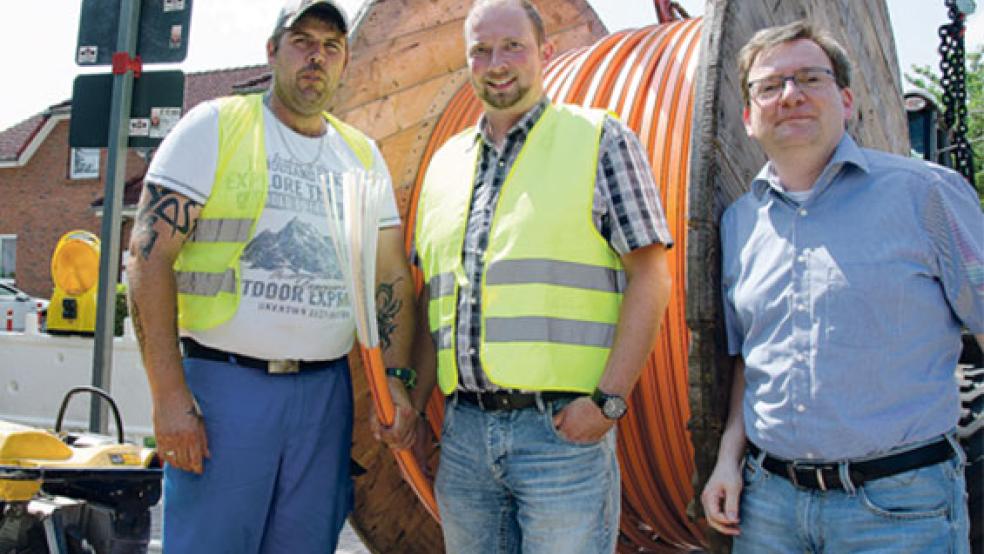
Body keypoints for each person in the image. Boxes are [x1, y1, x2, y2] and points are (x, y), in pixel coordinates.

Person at [126, 1, 417, 552]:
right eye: (302, 40)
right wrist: (169, 396)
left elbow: (391, 278)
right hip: (225, 389)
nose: (317, 57)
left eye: (331, 46)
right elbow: (147, 256)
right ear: (272, 51)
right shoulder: (214, 127)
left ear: (345, 61)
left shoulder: (361, 157)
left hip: (323, 396)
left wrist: (397, 381)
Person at [389, 0, 673, 551]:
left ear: (545, 53)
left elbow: (651, 277)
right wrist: (412, 399)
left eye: (512, 46)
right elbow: (435, 305)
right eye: (481, 50)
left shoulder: (601, 140)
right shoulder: (444, 166)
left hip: (562, 434)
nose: (497, 62)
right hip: (466, 435)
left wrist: (608, 403)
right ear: (467, 62)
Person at [700, 20, 983, 553]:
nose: (790, 95)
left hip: (900, 509)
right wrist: (727, 461)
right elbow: (751, 357)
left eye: (810, 78)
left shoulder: (928, 197)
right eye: (769, 86)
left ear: (847, 99)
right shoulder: (740, 222)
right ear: (747, 117)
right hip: (769, 511)